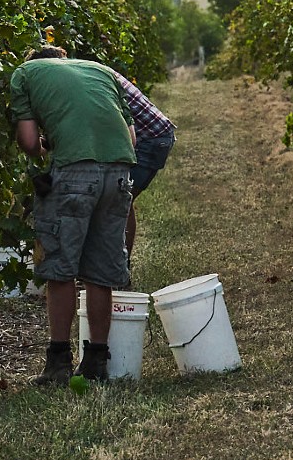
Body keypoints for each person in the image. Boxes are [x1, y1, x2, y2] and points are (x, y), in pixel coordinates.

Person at [9, 48, 137, 386]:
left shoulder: (24, 73)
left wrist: (43, 150)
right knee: (101, 271)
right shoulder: (102, 68)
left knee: (60, 268)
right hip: (120, 172)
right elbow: (131, 137)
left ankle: (58, 363)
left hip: (74, 173)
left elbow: (28, 140)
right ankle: (96, 361)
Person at [38, 46, 177, 267]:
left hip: (148, 138)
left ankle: (118, 268)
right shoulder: (86, 73)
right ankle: (114, 268)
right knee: (115, 199)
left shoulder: (80, 81)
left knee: (119, 200)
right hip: (147, 135)